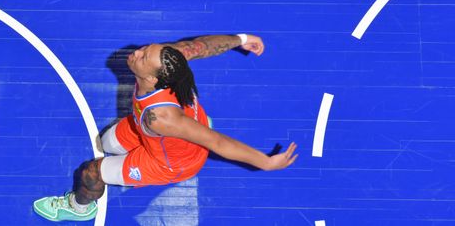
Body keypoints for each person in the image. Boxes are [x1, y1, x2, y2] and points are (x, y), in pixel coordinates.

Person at [33, 34, 298, 221]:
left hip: (168, 161)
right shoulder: (170, 60)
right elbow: (201, 46)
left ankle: (78, 209)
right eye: (145, 49)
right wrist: (241, 39)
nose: (136, 52)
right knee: (106, 143)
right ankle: (176, 133)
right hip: (152, 130)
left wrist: (265, 162)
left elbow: (217, 143)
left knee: (91, 173)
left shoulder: (161, 118)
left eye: (143, 56)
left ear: (151, 77)